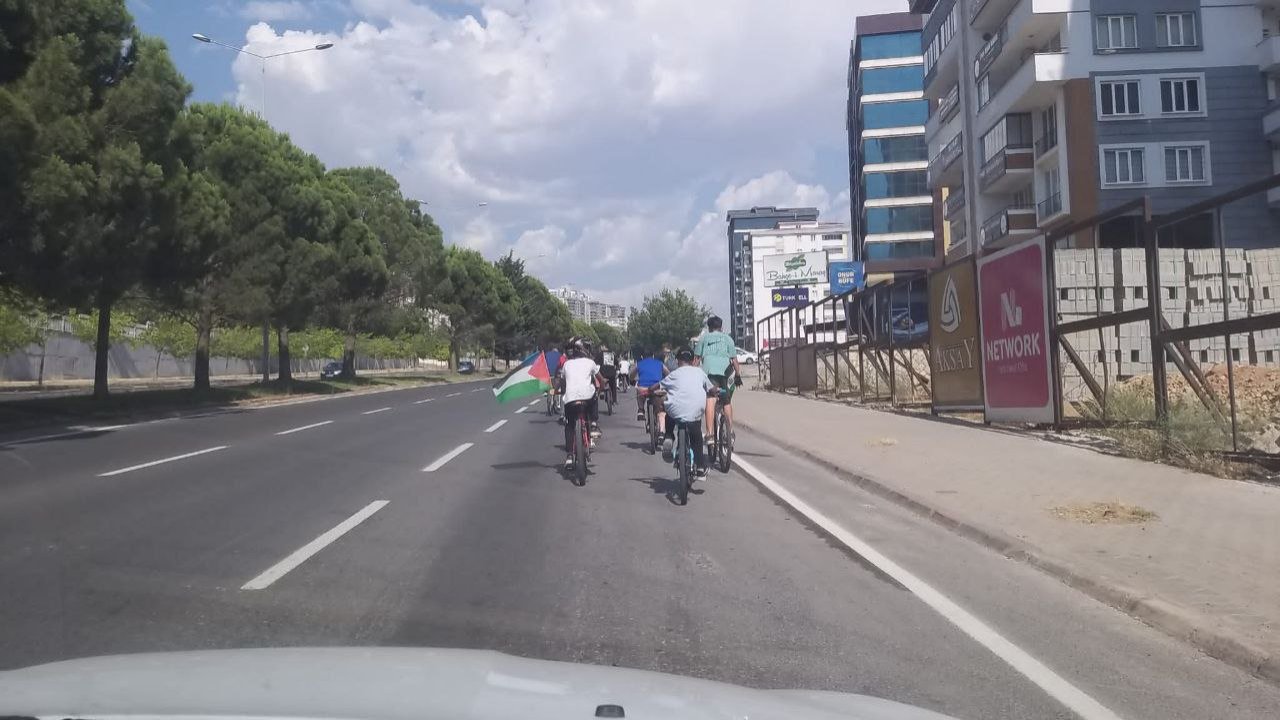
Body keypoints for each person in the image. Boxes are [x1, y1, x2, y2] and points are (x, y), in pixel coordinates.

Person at [652, 347, 714, 477]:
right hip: (694, 412)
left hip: (675, 411)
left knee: (669, 412)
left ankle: (669, 436)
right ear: (693, 361)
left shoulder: (674, 374)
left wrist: (649, 390)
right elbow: (711, 389)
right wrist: (716, 391)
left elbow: (658, 386)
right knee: (696, 436)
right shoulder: (700, 373)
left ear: (678, 361)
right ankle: (700, 467)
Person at [695, 315, 743, 445]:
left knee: (710, 399)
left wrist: (692, 373)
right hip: (726, 372)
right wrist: (738, 376)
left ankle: (710, 434)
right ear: (721, 327)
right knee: (726, 401)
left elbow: (697, 359)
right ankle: (730, 432)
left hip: (709, 371)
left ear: (709, 327)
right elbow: (734, 360)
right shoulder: (728, 339)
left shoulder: (704, 338)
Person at [559, 338, 603, 469]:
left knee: (569, 425)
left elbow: (562, 383)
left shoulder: (566, 364)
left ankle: (569, 456)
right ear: (584, 351)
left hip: (570, 399)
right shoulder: (590, 362)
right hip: (587, 399)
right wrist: (600, 390)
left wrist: (559, 391)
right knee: (593, 396)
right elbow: (601, 380)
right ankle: (594, 424)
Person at [633, 349, 668, 423]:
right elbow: (668, 373)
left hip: (643, 389)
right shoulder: (660, 363)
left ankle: (641, 410)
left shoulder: (639, 363)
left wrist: (632, 379)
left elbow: (631, 374)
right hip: (657, 388)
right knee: (660, 401)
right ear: (653, 356)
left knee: (638, 389)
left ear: (642, 356)